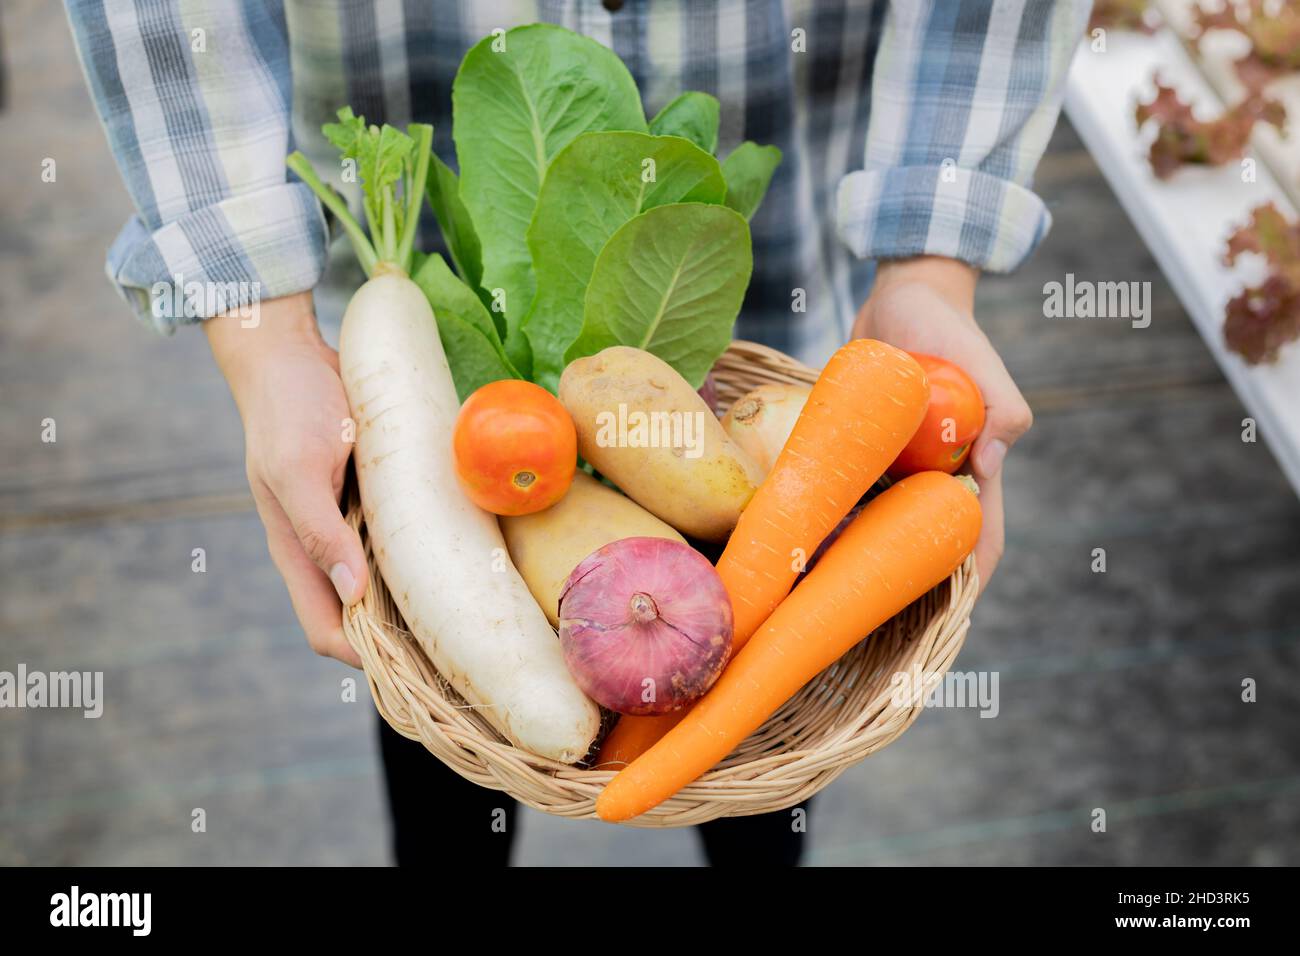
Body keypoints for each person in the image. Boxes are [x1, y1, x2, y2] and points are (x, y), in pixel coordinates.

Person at [65, 0, 1088, 865]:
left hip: (786, 314)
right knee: (431, 620)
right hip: (428, 356)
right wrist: (263, 337)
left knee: (776, 681)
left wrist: (926, 268)